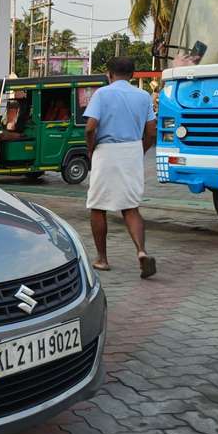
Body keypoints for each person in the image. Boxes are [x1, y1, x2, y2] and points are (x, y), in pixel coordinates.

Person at [84, 57, 158, 278]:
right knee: (131, 207)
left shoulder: (102, 94)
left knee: (98, 206)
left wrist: (91, 149)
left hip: (106, 150)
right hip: (132, 151)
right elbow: (152, 132)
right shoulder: (144, 96)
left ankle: (102, 259)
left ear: (109, 74)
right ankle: (142, 251)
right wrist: (140, 150)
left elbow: (90, 128)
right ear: (133, 75)